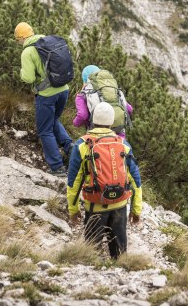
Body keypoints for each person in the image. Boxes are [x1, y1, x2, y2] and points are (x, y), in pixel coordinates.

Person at [67, 102, 142, 259]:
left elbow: (73, 181)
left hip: (95, 206)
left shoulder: (82, 145)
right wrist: (136, 210)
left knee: (90, 253)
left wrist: (73, 210)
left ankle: (95, 279)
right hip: (120, 205)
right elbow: (135, 180)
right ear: (112, 121)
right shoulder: (123, 144)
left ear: (93, 120)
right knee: (120, 255)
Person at [15, 22, 72, 176]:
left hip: (47, 95)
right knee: (54, 121)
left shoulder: (27, 52)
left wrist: (21, 72)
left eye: (17, 40)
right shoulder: (47, 41)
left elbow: (28, 78)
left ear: (20, 38)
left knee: (45, 130)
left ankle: (57, 167)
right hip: (64, 90)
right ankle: (70, 148)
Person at [72, 65, 133, 139]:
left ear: (84, 80)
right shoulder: (115, 91)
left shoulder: (83, 95)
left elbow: (82, 115)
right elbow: (129, 109)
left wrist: (75, 123)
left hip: (97, 137)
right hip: (118, 136)